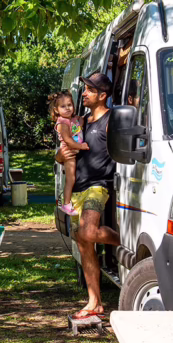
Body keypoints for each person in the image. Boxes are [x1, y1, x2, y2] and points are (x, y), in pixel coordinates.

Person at [56, 71, 120, 320]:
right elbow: (61, 152)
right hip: (77, 190)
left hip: (98, 186)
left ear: (102, 95)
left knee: (88, 232)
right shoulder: (80, 121)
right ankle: (95, 303)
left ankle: (125, 242)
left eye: (90, 90)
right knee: (84, 244)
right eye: (85, 89)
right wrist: (60, 155)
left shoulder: (112, 120)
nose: (83, 94)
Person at [49, 91, 90, 216]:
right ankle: (66, 204)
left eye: (69, 105)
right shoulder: (62, 123)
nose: (67, 108)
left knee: (73, 177)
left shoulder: (72, 119)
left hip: (74, 150)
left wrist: (81, 120)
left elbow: (79, 124)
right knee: (70, 178)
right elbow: (68, 140)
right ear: (56, 110)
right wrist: (81, 146)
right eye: (63, 106)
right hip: (68, 152)